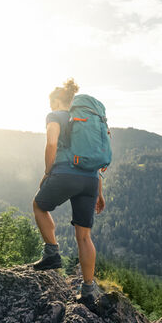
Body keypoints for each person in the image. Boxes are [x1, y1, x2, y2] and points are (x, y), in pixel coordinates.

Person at [31, 78, 106, 301]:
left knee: (39, 206)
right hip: (91, 179)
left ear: (55, 101)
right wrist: (99, 193)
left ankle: (52, 252)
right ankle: (88, 291)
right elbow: (93, 159)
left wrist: (47, 172)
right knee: (84, 237)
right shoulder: (86, 121)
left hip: (65, 174)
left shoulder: (56, 116)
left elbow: (52, 143)